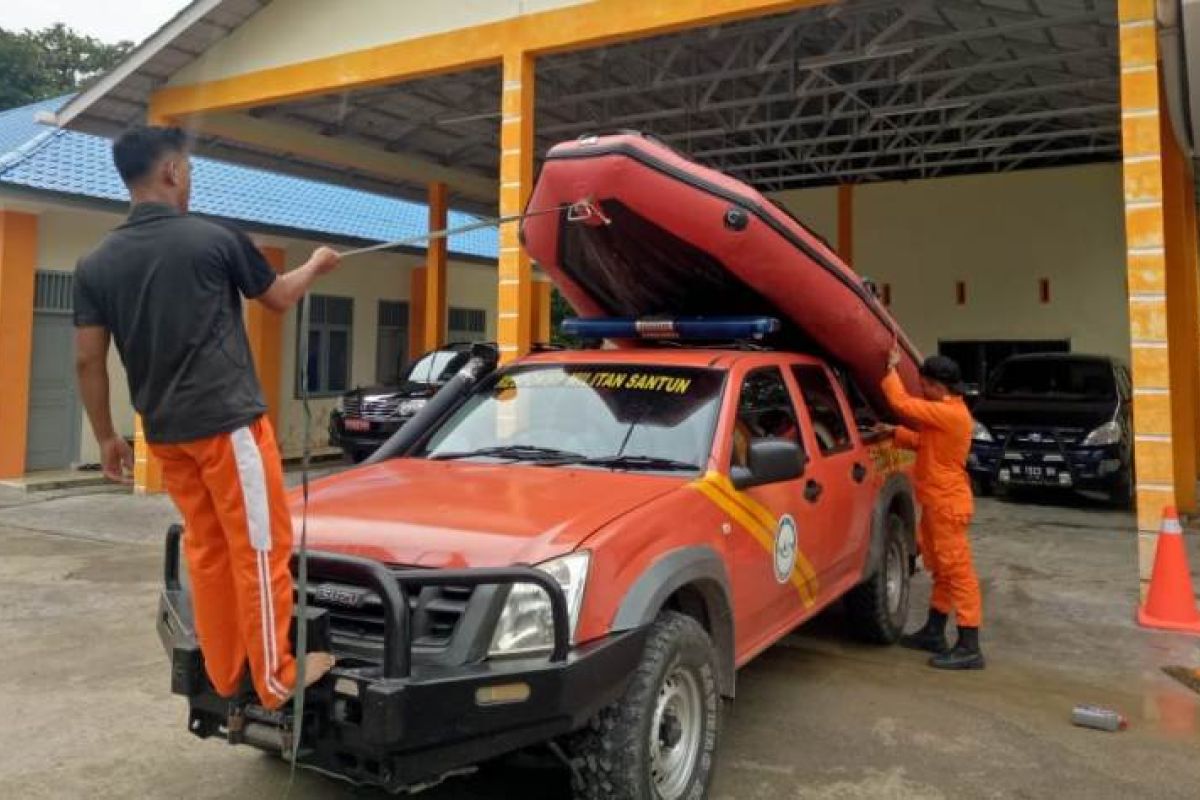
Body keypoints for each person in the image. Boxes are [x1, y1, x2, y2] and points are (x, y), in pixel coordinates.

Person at [74, 126, 341, 709]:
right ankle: (276, 678)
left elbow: (87, 360)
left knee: (210, 549)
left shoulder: (95, 263)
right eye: (188, 169)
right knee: (261, 547)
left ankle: (226, 673)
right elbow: (278, 296)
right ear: (171, 172)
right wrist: (317, 265)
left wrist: (105, 436)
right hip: (229, 426)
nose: (190, 179)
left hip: (165, 435)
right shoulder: (214, 238)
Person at [879, 348, 984, 670]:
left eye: (924, 385)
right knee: (941, 569)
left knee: (958, 574)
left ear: (938, 386)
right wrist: (893, 433)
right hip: (939, 503)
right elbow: (926, 444)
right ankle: (935, 631)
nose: (922, 390)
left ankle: (969, 645)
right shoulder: (947, 412)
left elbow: (901, 403)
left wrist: (891, 370)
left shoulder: (950, 413)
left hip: (947, 504)